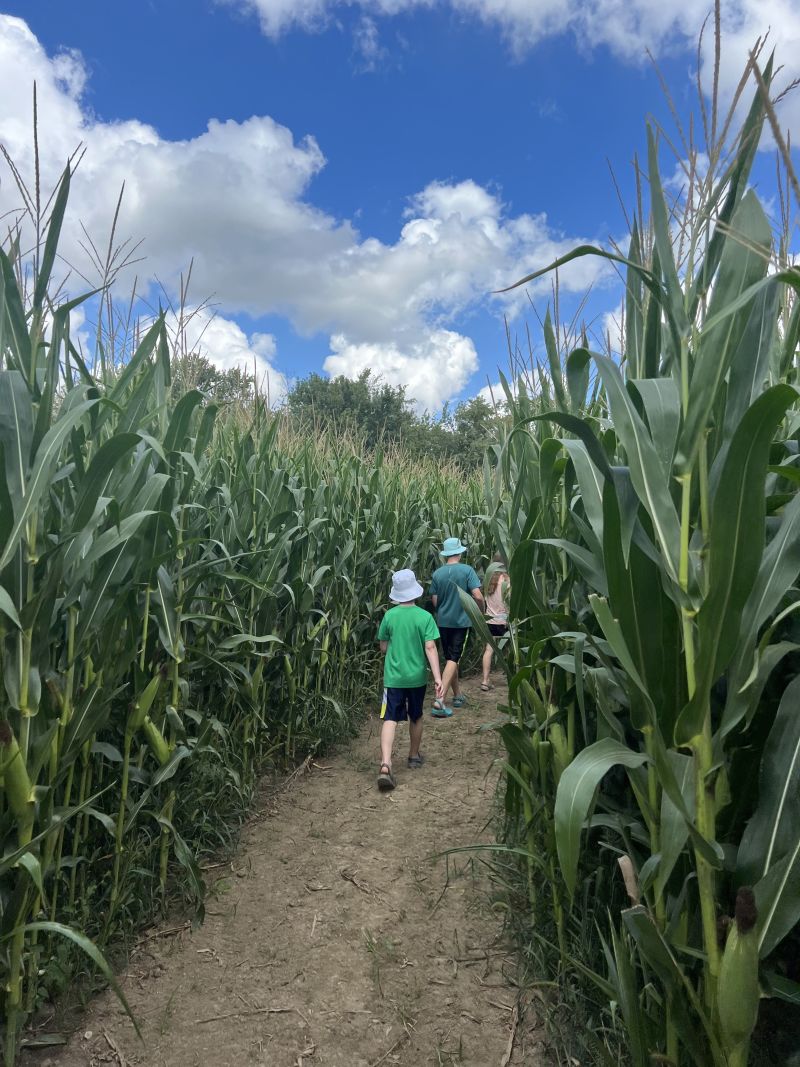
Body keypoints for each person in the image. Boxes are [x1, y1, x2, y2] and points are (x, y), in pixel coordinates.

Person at [377, 568, 443, 791]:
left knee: (389, 718)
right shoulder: (425, 617)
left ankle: (385, 764)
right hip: (417, 678)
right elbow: (431, 647)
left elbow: (383, 646)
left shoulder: (389, 616)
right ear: (415, 591)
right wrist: (437, 677)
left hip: (393, 678)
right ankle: (414, 756)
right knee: (416, 715)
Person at [428, 537, 483, 716]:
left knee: (451, 658)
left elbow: (435, 601)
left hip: (443, 622)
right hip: (461, 622)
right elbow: (478, 595)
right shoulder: (467, 570)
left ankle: (457, 695)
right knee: (454, 658)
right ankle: (440, 699)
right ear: (459, 552)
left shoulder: (437, 574)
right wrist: (479, 612)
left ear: (446, 554)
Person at [482, 556, 510, 691]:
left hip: (490, 620)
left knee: (489, 650)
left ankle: (485, 680)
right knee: (511, 650)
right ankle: (512, 678)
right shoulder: (507, 581)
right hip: (505, 621)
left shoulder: (488, 581)